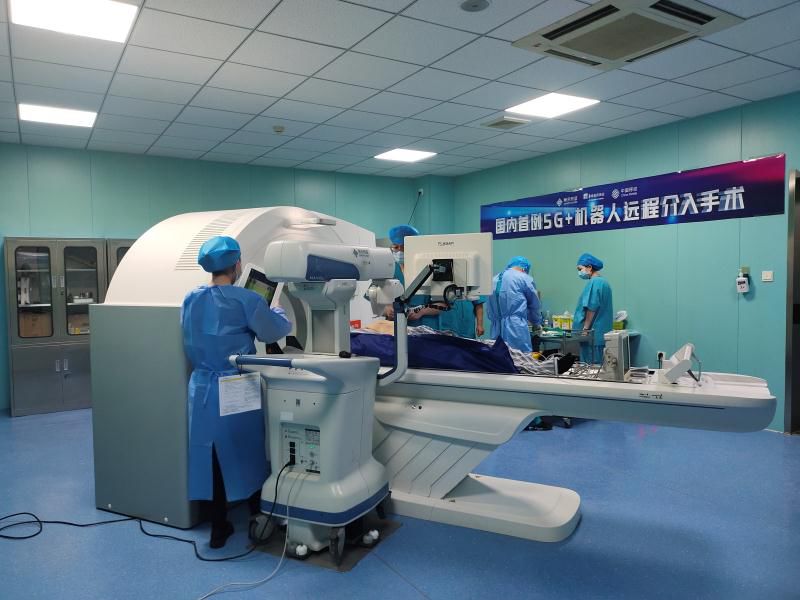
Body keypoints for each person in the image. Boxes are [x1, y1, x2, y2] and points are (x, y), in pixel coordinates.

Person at [181, 236, 292, 549]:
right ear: (237, 264)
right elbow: (273, 331)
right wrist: (278, 311)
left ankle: (218, 528)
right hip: (236, 385)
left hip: (202, 386)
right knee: (248, 449)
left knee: (211, 455)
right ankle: (258, 514)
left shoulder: (191, 298)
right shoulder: (248, 299)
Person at [384, 224, 444, 327]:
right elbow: (377, 300)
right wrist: (387, 309)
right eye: (396, 247)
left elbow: (442, 304)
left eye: (404, 247)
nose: (400, 251)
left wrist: (422, 311)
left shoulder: (432, 268)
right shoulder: (388, 270)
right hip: (396, 327)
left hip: (425, 327)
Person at [486, 256, 542, 352]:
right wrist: (536, 323)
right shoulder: (523, 278)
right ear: (524, 269)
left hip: (496, 328)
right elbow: (534, 305)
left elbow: (489, 307)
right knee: (520, 357)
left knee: (498, 356)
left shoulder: (493, 280)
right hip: (515, 327)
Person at [573, 252, 613, 364]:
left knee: (590, 369)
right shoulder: (604, 282)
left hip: (592, 337)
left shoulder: (595, 282)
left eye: (580, 269)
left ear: (589, 267)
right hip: (600, 336)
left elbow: (591, 307)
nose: (579, 272)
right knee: (600, 368)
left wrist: (585, 330)